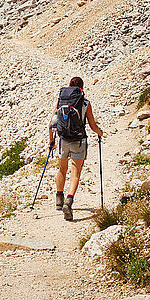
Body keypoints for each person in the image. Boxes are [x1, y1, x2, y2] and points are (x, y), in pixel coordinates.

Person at [48, 76, 103, 221]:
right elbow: (92, 125)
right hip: (78, 140)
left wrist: (51, 141)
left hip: (63, 139)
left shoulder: (60, 101)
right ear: (82, 89)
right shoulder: (85, 103)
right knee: (75, 172)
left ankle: (59, 199)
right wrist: (100, 133)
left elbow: (52, 122)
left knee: (62, 169)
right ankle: (69, 201)